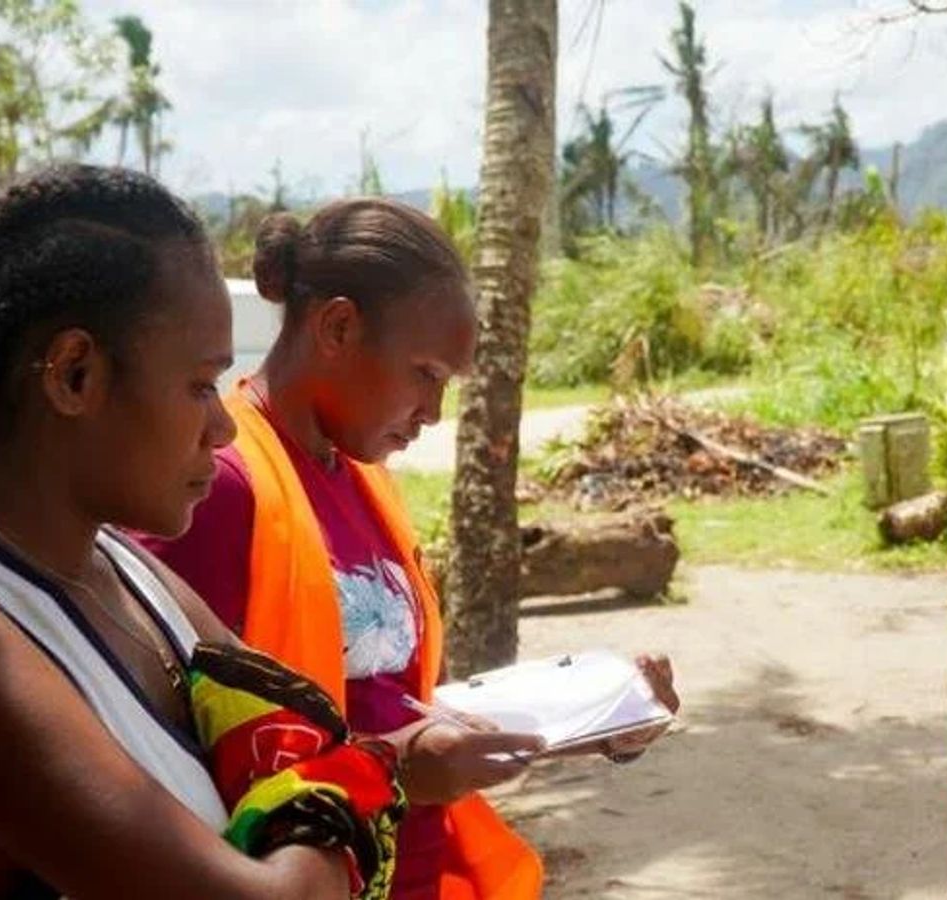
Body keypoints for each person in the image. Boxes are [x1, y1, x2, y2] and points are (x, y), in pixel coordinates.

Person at [0, 165, 412, 899]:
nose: (223, 425)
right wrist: (334, 802)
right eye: (201, 385)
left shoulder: (122, 571)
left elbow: (315, 743)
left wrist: (334, 785)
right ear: (74, 375)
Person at [138, 197, 679, 900]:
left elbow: (395, 703)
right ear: (337, 327)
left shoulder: (363, 477)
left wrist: (597, 719)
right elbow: (172, 759)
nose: (435, 411)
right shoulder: (220, 485)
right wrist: (390, 770)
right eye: (425, 373)